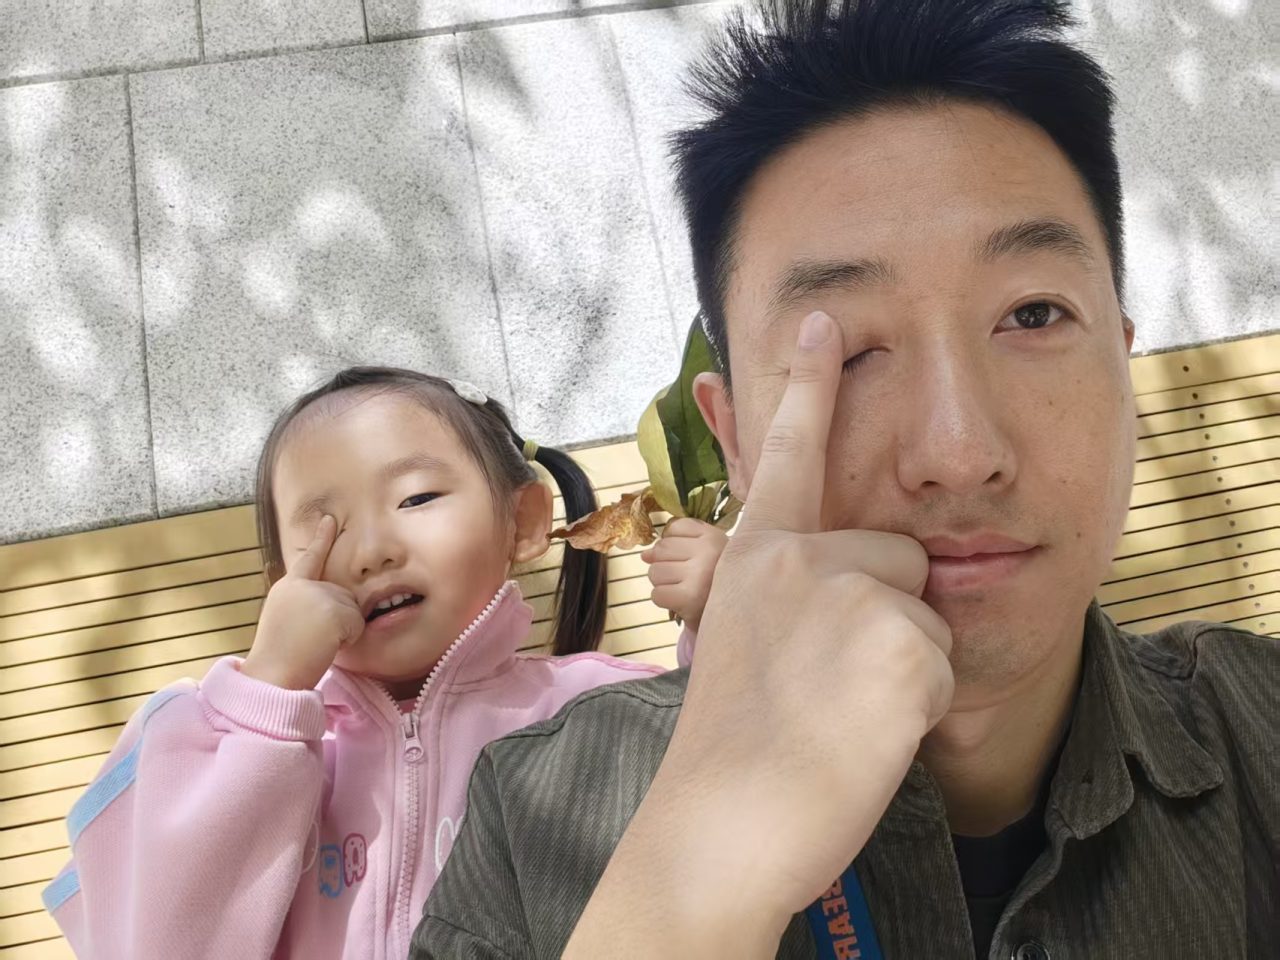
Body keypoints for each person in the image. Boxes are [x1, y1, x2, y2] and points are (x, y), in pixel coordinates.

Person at [413, 2, 1280, 957]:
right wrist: (697, 877)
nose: (959, 451)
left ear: (1122, 369)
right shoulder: (535, 816)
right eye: (848, 352)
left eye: (1033, 315)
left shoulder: (1263, 731)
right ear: (735, 438)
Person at [42, 367, 685, 959]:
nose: (372, 551)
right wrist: (265, 697)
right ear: (281, 586)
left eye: (416, 498)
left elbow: (723, 803)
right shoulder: (217, 749)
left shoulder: (603, 708)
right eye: (328, 528)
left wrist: (720, 621)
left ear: (523, 519)